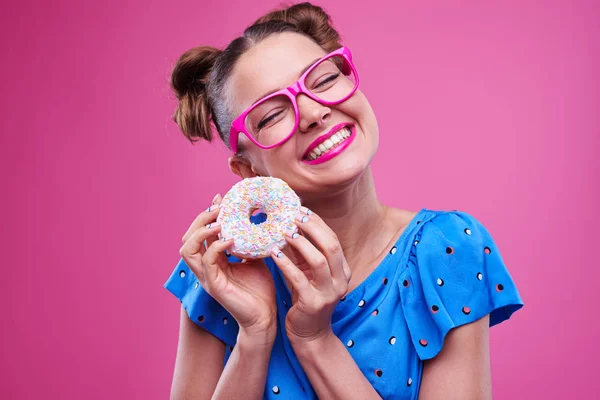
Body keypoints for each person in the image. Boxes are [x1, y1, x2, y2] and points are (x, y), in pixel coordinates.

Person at [163, 3, 524, 399]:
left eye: (324, 80)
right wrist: (255, 334)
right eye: (271, 115)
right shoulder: (221, 270)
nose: (314, 113)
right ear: (248, 169)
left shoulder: (448, 249)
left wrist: (314, 339)